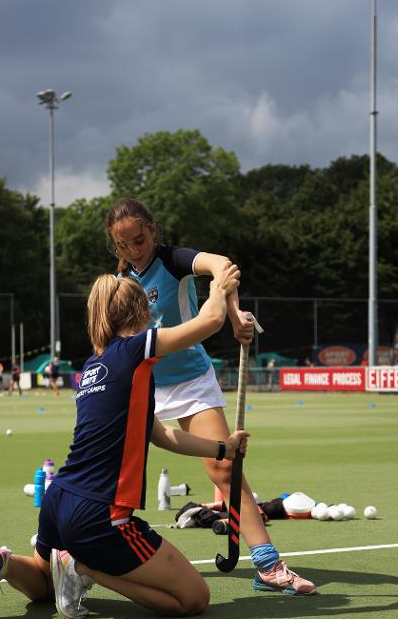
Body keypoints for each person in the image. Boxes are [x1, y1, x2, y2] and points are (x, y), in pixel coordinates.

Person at [0, 267, 250, 619]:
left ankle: (5, 563)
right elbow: (211, 320)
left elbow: (158, 433)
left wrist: (221, 449)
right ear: (143, 312)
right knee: (193, 598)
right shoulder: (136, 348)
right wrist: (220, 284)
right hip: (99, 515)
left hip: (57, 503)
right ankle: (83, 567)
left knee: (45, 587)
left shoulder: (94, 365)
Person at [105, 197, 316, 596]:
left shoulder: (172, 261)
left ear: (153, 230)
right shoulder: (117, 283)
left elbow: (222, 267)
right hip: (140, 382)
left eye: (140, 240)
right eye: (124, 246)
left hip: (189, 381)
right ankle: (80, 554)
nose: (135, 251)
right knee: (109, 472)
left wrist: (235, 316)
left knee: (224, 467)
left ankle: (268, 566)